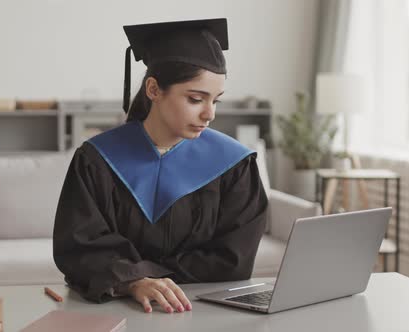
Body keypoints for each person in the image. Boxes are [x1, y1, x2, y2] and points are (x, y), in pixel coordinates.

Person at [53, 18, 268, 314]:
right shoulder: (97, 160)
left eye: (215, 100)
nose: (209, 114)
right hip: (119, 310)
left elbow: (233, 260)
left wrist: (140, 274)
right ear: (153, 90)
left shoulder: (235, 165)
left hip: (202, 311)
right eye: (196, 99)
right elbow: (78, 246)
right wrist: (133, 282)